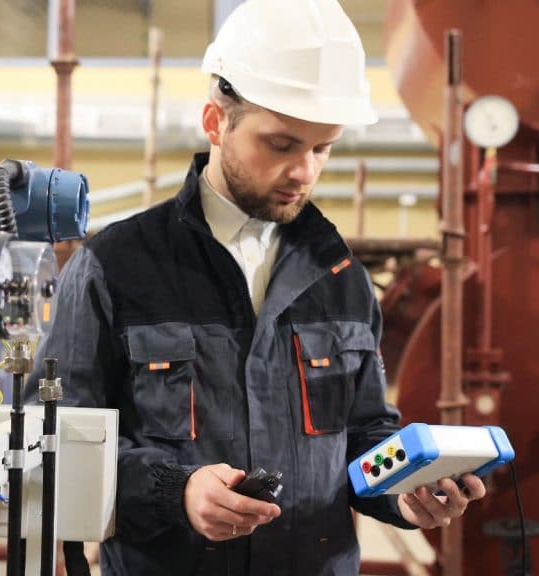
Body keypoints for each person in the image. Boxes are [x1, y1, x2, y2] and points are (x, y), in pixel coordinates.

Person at [27, 1, 486, 574]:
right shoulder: (116, 266)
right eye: (282, 145)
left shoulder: (341, 278)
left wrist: (404, 493)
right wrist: (179, 490)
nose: (306, 173)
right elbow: (52, 441)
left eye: (323, 148)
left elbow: (363, 435)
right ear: (217, 122)